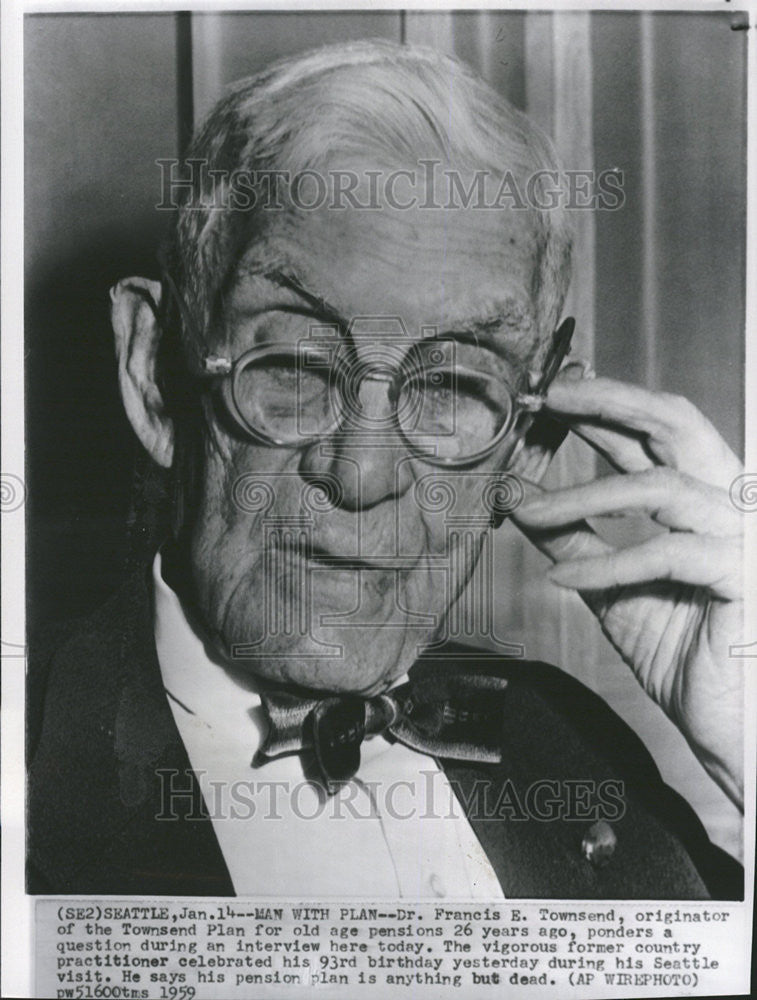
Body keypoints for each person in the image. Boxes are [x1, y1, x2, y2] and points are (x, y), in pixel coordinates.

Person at [28, 39, 744, 899]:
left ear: (526, 439)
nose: (362, 476)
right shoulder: (25, 775)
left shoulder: (564, 744)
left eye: (447, 384)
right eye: (294, 367)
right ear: (154, 374)